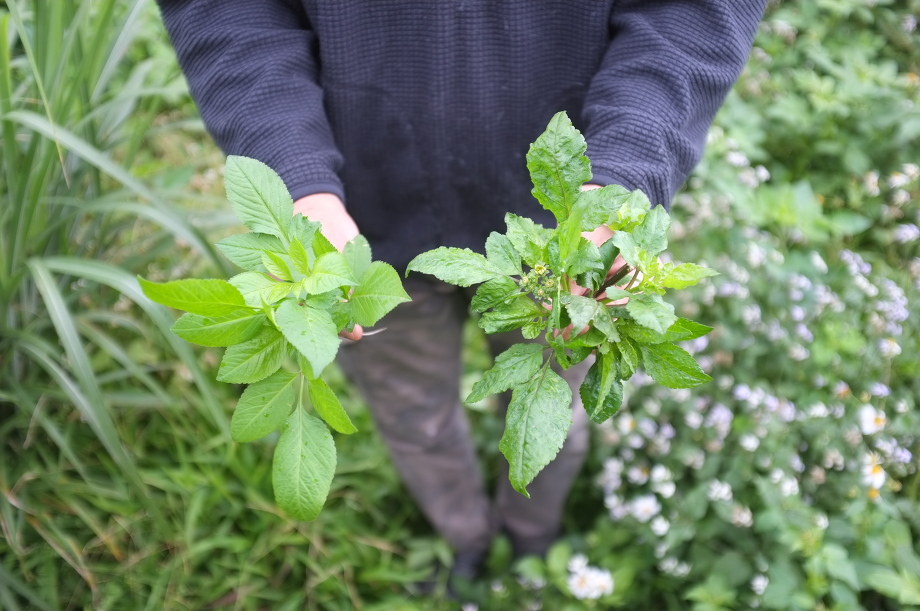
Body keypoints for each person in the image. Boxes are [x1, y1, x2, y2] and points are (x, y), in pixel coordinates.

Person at [156, 0, 767, 585]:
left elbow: (691, 13)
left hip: (566, 244)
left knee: (557, 413)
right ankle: (466, 542)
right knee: (413, 417)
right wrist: (296, 182)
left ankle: (532, 540)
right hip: (358, 233)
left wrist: (627, 169)